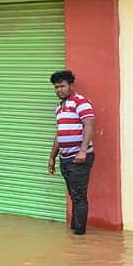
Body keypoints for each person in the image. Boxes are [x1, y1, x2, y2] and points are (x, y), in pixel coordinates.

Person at [47, 70, 95, 235]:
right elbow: (60, 133)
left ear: (71, 86)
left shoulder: (81, 102)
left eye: (62, 86)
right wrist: (52, 157)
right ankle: (75, 232)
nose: (59, 90)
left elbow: (89, 125)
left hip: (79, 158)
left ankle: (79, 236)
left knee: (79, 197)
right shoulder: (59, 108)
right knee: (74, 195)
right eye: (56, 87)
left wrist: (82, 151)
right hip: (65, 158)